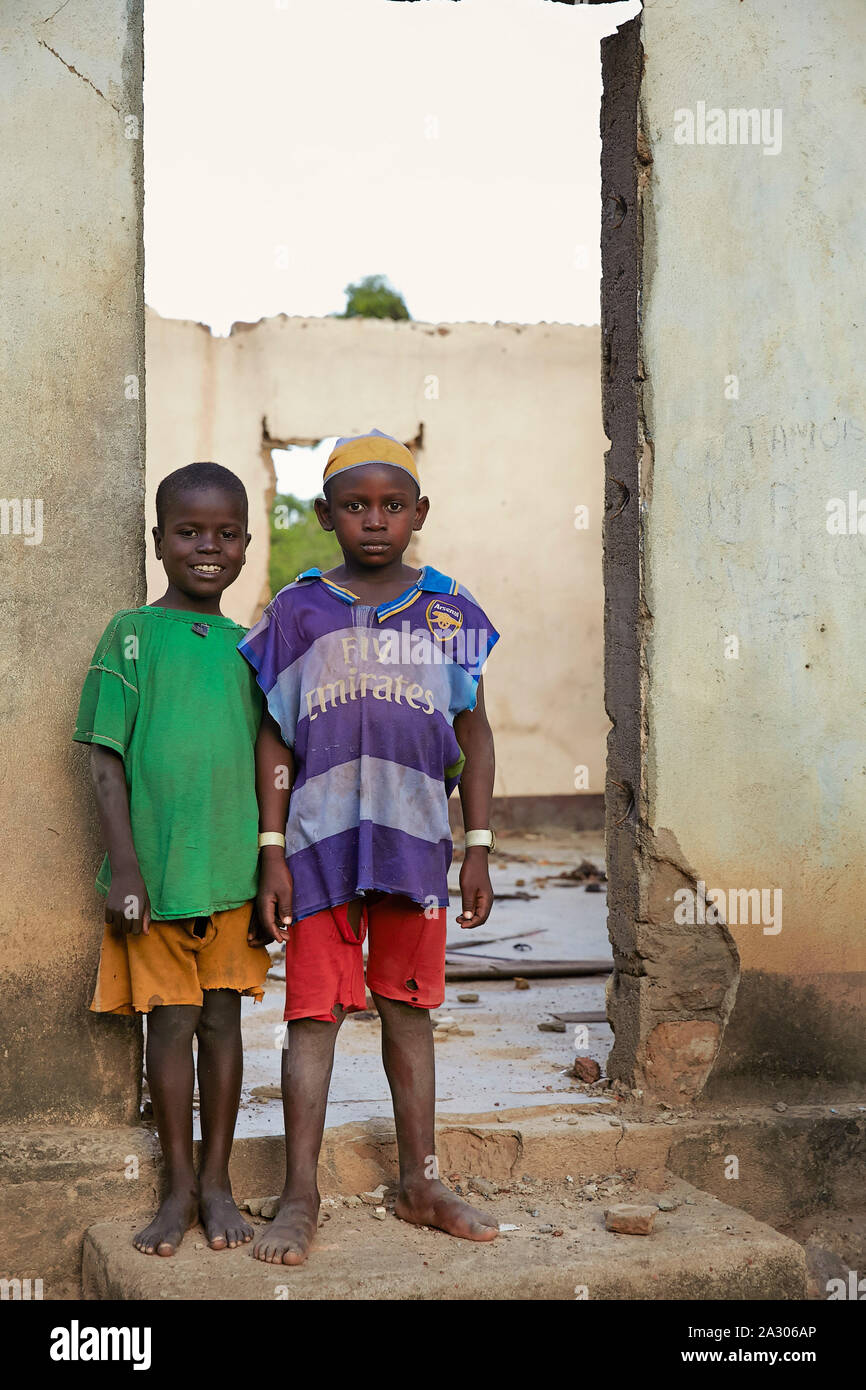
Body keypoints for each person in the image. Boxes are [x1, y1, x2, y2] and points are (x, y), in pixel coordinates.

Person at [238, 429, 501, 1266]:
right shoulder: (297, 609)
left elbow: (475, 732)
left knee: (408, 1011)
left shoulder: (451, 609)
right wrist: (271, 848)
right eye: (356, 506)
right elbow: (274, 738)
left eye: (393, 506)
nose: (376, 521)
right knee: (312, 1017)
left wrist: (480, 846)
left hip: (415, 847)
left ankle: (421, 1183)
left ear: (419, 512)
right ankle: (299, 1195)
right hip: (318, 849)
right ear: (325, 515)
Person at [73, 462, 271, 1257]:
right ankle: (178, 1188)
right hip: (155, 882)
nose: (208, 547)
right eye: (189, 532)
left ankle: (220, 1184)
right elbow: (102, 760)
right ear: (158, 541)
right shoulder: (130, 633)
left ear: (247, 544)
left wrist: (270, 867)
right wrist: (125, 869)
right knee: (173, 1025)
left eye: (225, 534)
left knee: (224, 1023)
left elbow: (270, 762)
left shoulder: (253, 648)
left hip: (231, 878)